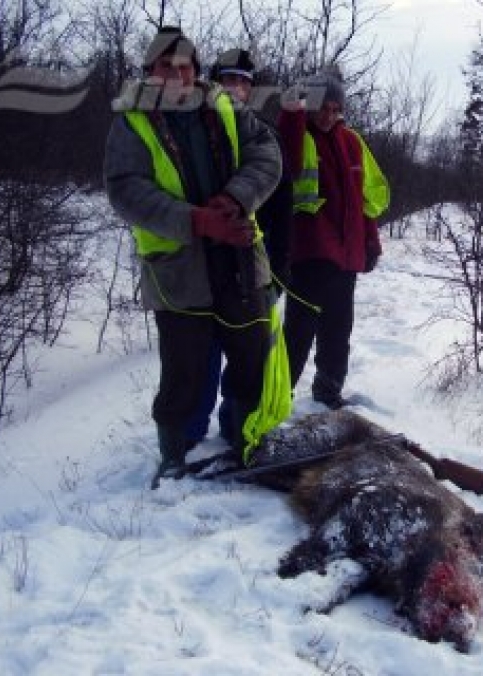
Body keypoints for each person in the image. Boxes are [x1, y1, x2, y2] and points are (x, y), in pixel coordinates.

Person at [104, 27, 290, 483]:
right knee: (183, 369)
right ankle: (174, 453)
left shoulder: (225, 107)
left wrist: (235, 198)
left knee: (251, 358)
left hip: (239, 261)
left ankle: (245, 439)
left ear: (196, 69)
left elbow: (268, 154)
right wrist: (195, 221)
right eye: (166, 66)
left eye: (184, 65)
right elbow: (126, 190)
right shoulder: (132, 121)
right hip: (179, 272)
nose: (176, 74)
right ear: (149, 71)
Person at [183, 47, 293, 448]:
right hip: (200, 264)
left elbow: (283, 213)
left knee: (249, 357)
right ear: (213, 83)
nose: (236, 88)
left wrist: (279, 269)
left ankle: (238, 429)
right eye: (228, 79)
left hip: (251, 267)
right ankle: (191, 434)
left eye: (244, 82)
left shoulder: (265, 136)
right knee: (200, 354)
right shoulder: (188, 130)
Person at [278, 70, 390, 409]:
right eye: (322, 108)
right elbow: (290, 161)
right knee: (298, 333)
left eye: (335, 109)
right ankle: (278, 399)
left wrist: (370, 242)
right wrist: (294, 108)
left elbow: (366, 200)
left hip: (345, 257)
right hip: (309, 255)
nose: (328, 115)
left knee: (338, 333)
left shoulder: (352, 142)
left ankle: (328, 392)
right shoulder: (297, 134)